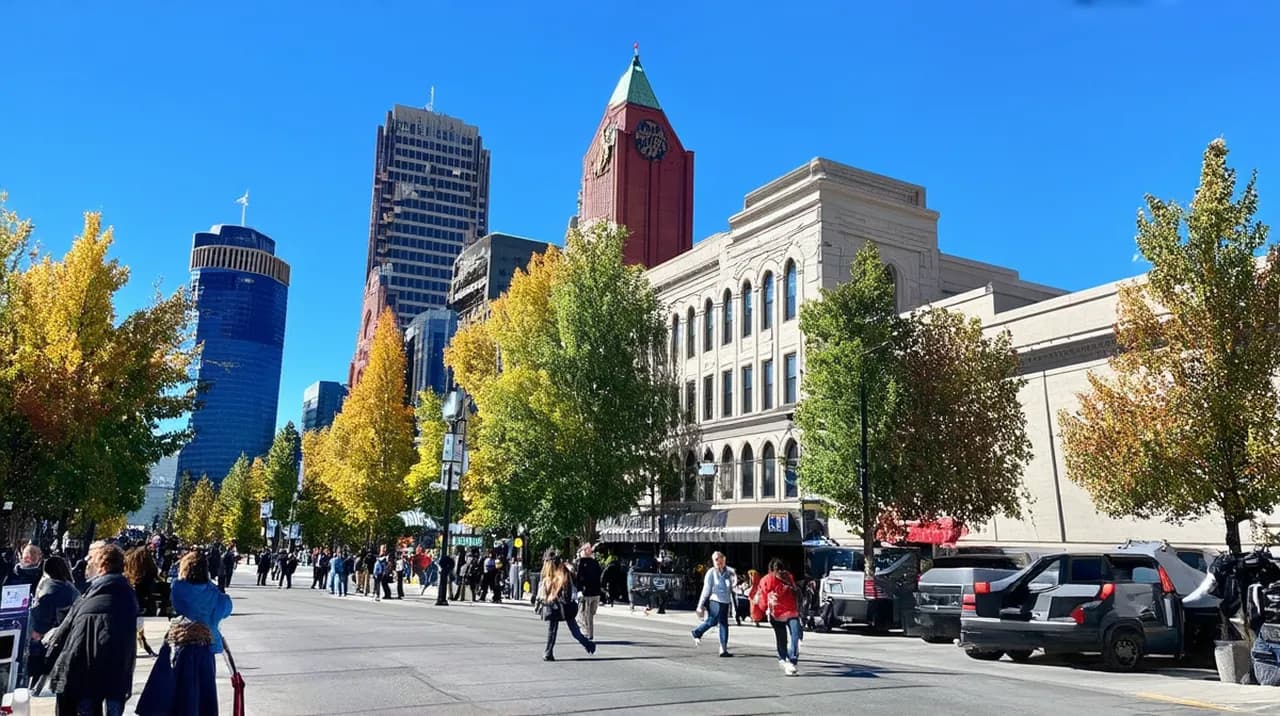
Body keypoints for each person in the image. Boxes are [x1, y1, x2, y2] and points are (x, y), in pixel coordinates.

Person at [44, 541, 137, 716]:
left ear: (103, 566)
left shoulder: (94, 597)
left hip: (85, 673)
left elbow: (73, 637)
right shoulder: (126, 595)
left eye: (92, 560)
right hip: (116, 673)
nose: (88, 564)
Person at [136, 550, 233, 716]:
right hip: (206, 646)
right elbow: (226, 609)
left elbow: (175, 604)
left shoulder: (178, 587)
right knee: (203, 694)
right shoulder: (216, 596)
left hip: (180, 641)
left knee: (175, 691)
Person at [27, 556, 79, 696]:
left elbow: (41, 614)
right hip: (67, 635)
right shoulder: (71, 588)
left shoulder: (49, 587)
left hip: (48, 637)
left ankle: (32, 684)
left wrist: (36, 631)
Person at [536, 550, 595, 661]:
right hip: (561, 606)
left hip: (561, 606)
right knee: (571, 630)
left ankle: (549, 653)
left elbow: (566, 593)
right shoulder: (558, 573)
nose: (545, 564)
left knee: (559, 630)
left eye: (547, 562)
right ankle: (588, 645)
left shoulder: (561, 574)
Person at [756, 557, 803, 676]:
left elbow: (795, 591)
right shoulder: (766, 580)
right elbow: (762, 597)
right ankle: (784, 659)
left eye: (782, 570)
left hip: (791, 611)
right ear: (772, 570)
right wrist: (764, 609)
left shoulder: (788, 577)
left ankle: (792, 659)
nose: (780, 573)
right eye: (778, 570)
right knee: (782, 639)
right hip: (776, 614)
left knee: (795, 635)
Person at [691, 551, 736, 657]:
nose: (717, 562)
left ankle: (699, 633)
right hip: (715, 600)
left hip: (725, 601)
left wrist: (734, 605)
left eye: (718, 559)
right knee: (718, 622)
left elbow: (732, 588)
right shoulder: (711, 572)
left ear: (723, 559)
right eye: (715, 560)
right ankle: (722, 648)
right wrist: (700, 605)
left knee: (717, 622)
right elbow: (706, 589)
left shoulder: (729, 572)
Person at [124, 546, 160, 657]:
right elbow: (155, 574)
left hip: (130, 602)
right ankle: (142, 642)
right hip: (142, 603)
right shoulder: (148, 571)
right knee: (138, 625)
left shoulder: (128, 569)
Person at [573, 544, 603, 640]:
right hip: (596, 593)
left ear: (584, 551)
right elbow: (599, 575)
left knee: (583, 615)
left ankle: (586, 633)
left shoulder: (581, 563)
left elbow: (578, 578)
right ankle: (589, 634)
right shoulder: (595, 563)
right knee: (590, 615)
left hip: (586, 593)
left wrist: (579, 590)